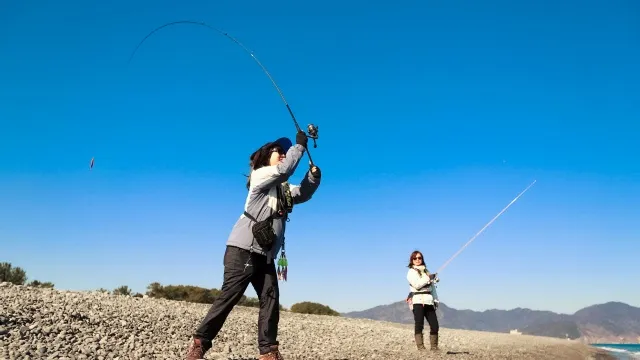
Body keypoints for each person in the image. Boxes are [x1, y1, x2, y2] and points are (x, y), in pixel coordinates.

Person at [185, 131, 321, 360]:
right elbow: (283, 170)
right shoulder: (261, 175)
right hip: (243, 249)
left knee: (270, 300)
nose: (283, 155)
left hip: (266, 254)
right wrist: (298, 147)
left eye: (285, 152)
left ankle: (268, 352)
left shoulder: (284, 190)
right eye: (279, 151)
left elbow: (303, 193)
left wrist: (314, 177)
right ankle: (200, 343)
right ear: (266, 156)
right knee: (231, 295)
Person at [406, 250, 440, 351]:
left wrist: (436, 300)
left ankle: (434, 347)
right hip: (417, 301)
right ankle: (421, 347)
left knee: (435, 325)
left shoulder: (426, 271)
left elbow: (432, 288)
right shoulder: (411, 272)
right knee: (419, 324)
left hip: (429, 301)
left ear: (422, 259)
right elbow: (417, 285)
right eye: (415, 258)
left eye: (419, 258)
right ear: (412, 260)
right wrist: (428, 278)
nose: (417, 260)